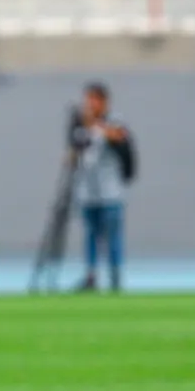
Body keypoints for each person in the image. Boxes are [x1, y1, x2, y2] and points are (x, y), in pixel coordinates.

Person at [70, 81, 134, 293]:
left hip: (110, 192)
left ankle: (115, 277)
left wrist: (94, 125)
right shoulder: (80, 126)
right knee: (90, 235)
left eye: (93, 100)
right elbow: (74, 152)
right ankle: (91, 276)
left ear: (103, 101)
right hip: (88, 193)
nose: (89, 105)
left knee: (113, 236)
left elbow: (118, 136)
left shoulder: (114, 121)